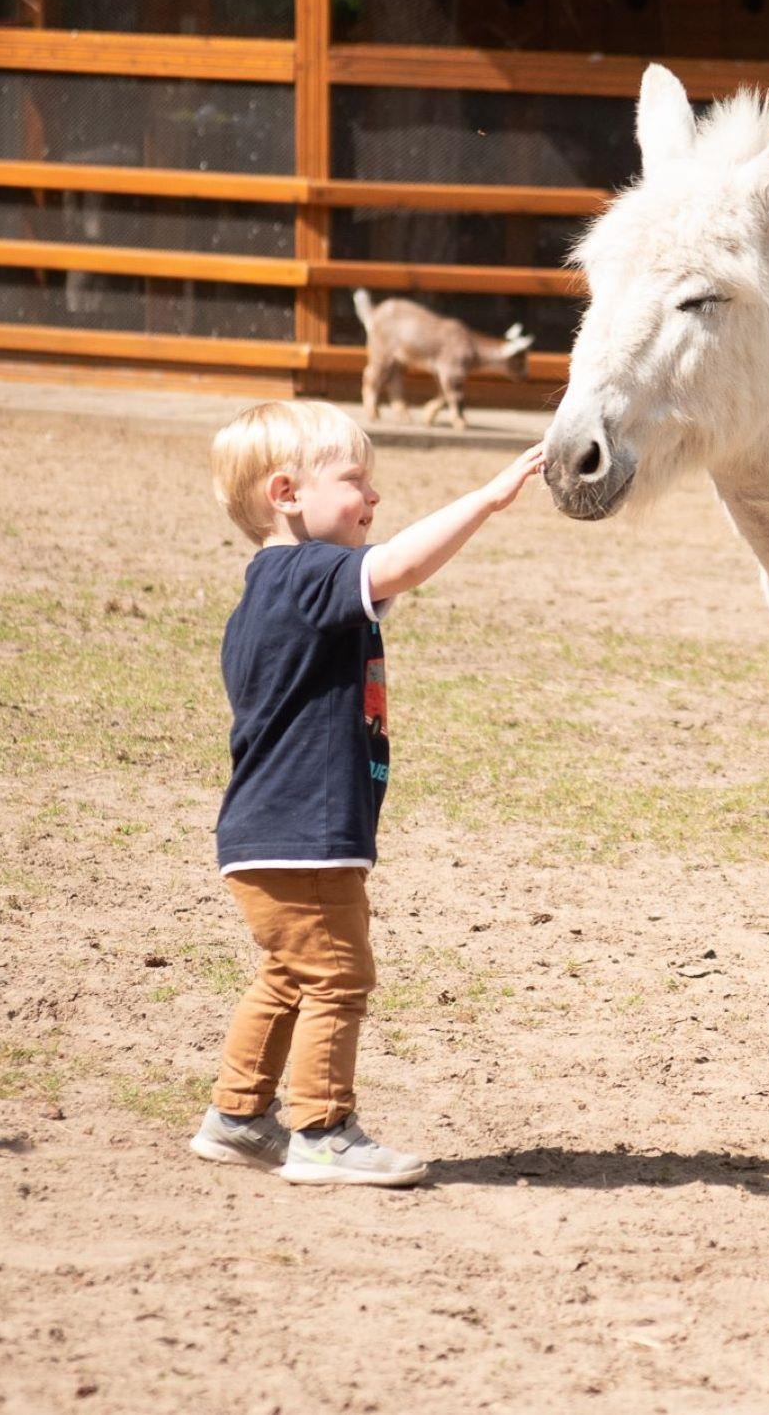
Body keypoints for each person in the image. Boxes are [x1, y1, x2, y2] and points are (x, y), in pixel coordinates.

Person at [188, 399, 543, 1185]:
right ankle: (322, 1131)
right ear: (286, 494)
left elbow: (387, 579)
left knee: (291, 974)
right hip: (303, 836)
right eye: (355, 480)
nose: (374, 496)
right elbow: (401, 567)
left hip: (270, 836)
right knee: (339, 976)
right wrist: (486, 499)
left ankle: (238, 1117)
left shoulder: (275, 586)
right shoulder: (306, 575)